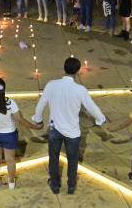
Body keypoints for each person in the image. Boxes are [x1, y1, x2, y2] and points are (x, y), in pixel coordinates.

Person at [33, 58, 111, 194]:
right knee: (73, 160)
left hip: (54, 129)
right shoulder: (80, 89)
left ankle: (55, 185)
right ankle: (71, 186)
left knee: (53, 158)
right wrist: (101, 119)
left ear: (63, 68)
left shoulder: (51, 84)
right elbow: (92, 107)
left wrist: (38, 120)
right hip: (73, 132)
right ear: (77, 72)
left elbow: (41, 105)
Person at [0, 78, 44, 190]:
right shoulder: (11, 103)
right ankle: (11, 181)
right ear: (4, 89)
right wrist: (35, 127)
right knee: (10, 160)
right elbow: (20, 120)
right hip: (9, 135)